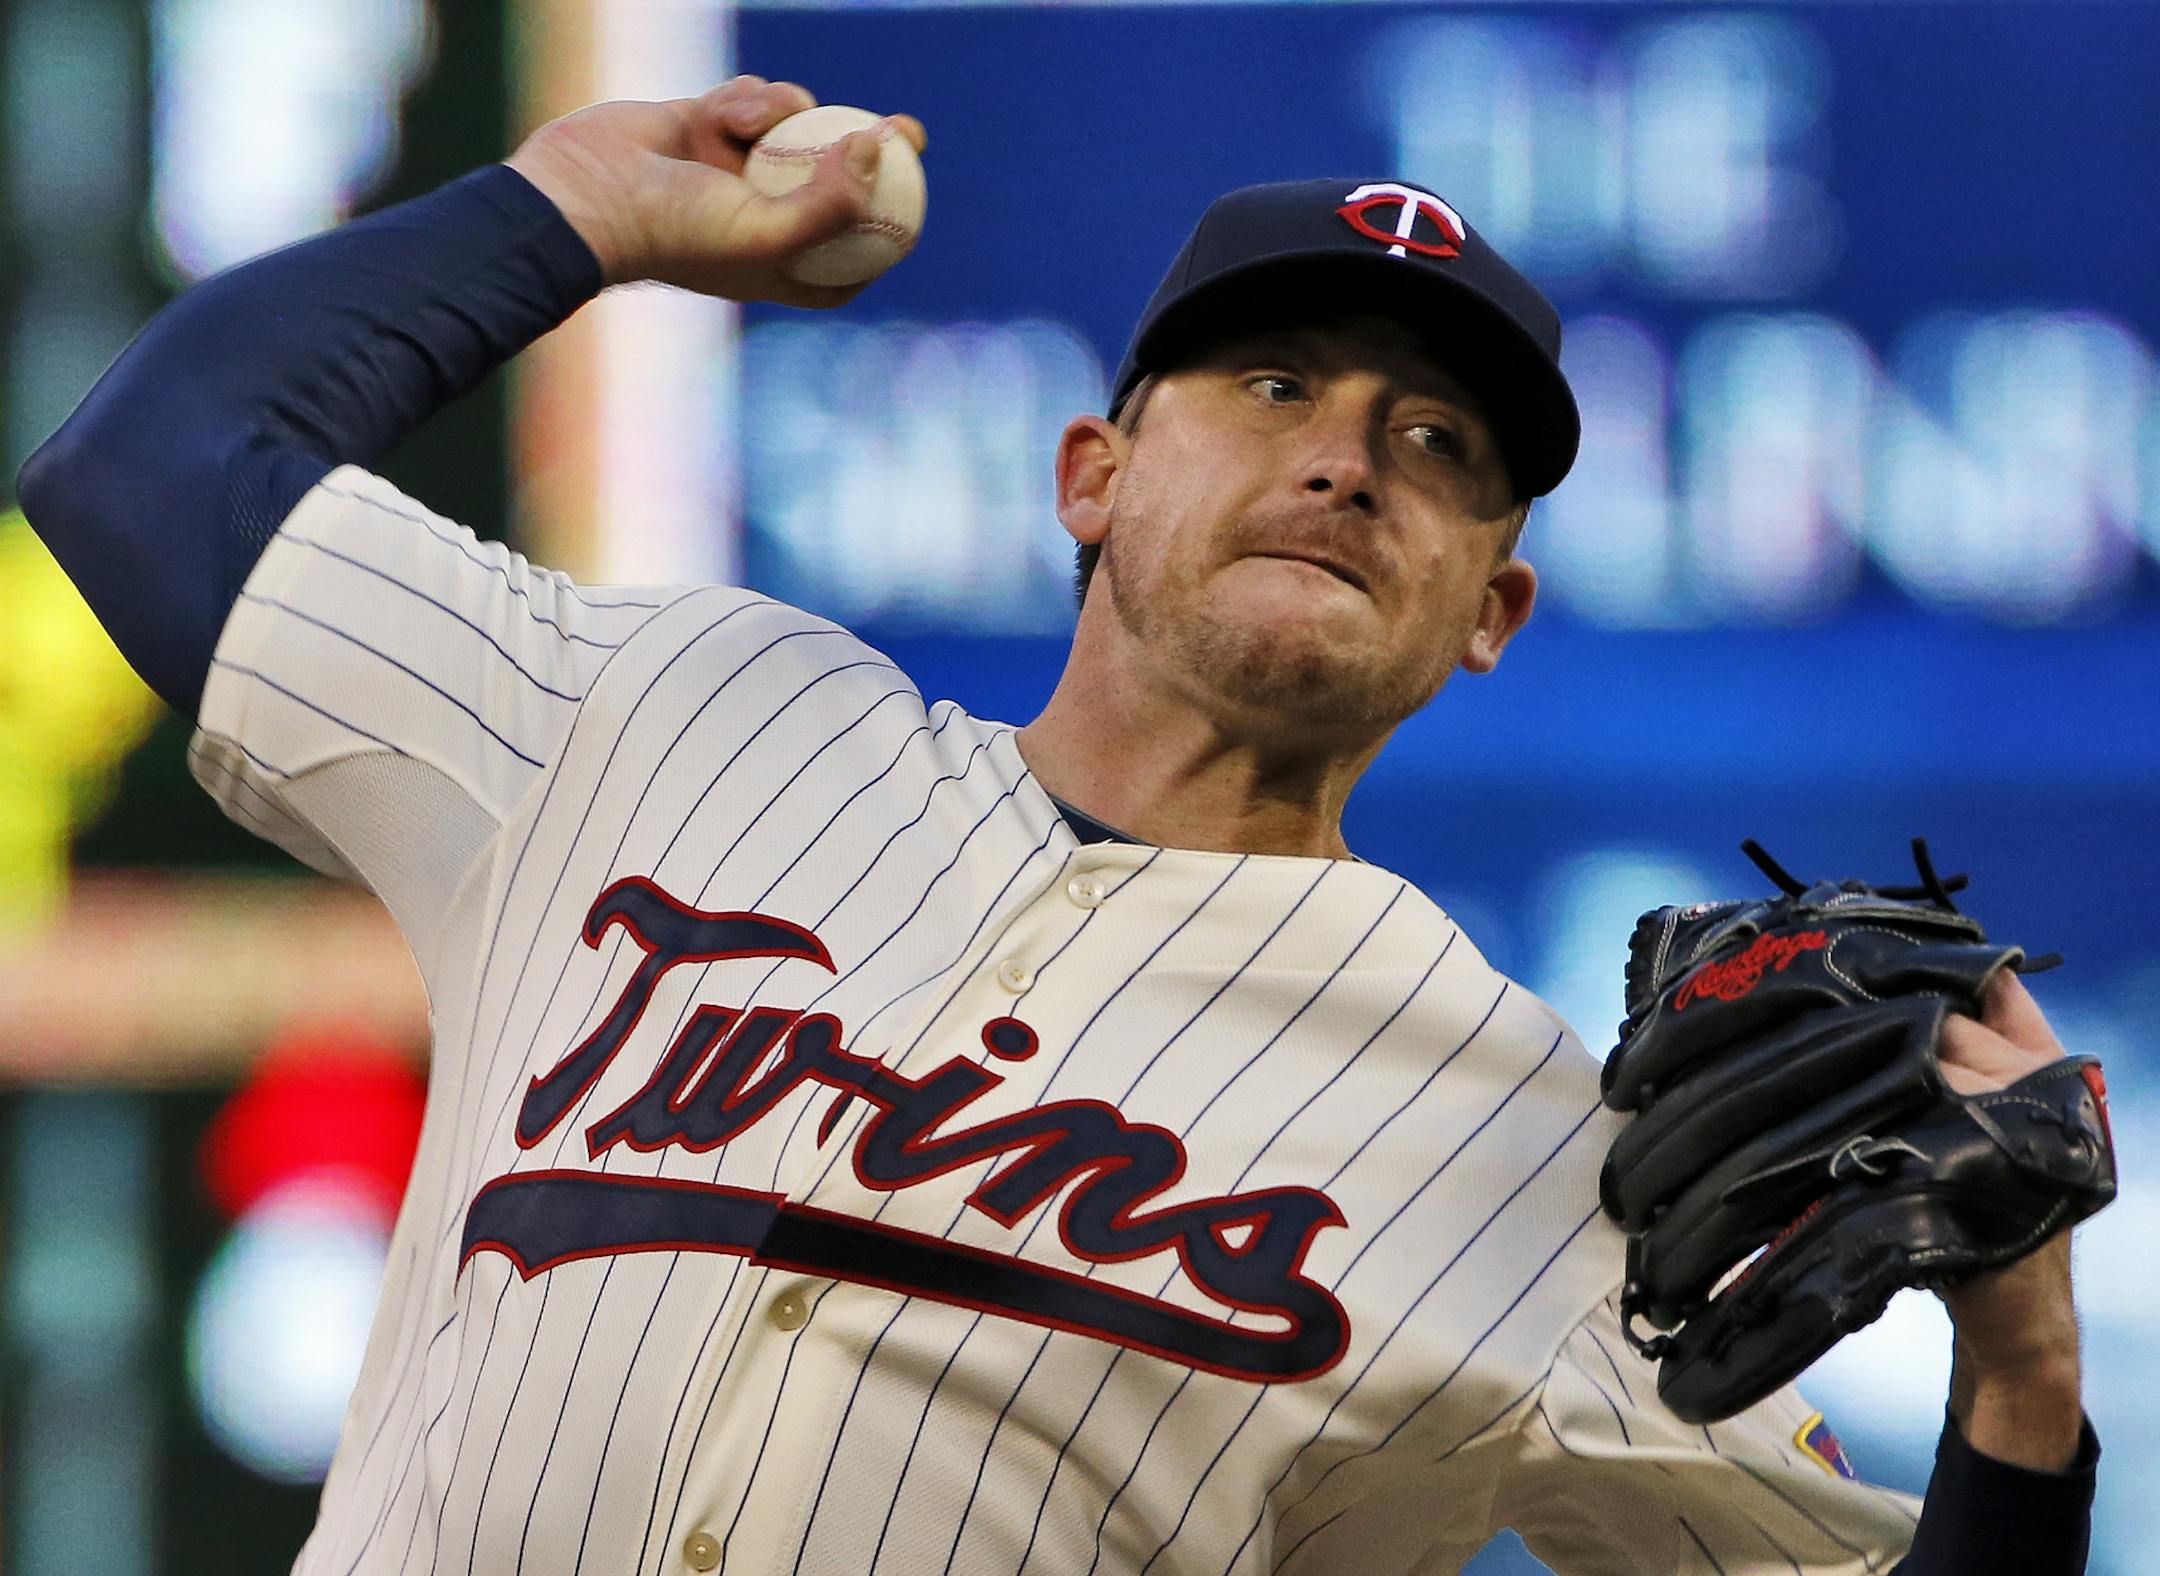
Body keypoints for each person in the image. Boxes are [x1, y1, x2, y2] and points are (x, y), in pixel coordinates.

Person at [19, 75, 2099, 1575]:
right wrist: (569, 210)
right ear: (1091, 471)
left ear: (1493, 611)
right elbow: (150, 467)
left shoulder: (1525, 1155)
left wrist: (2024, 1392)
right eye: (1274, 387)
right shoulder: (659, 713)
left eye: (1437, 440)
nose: (1351, 454)